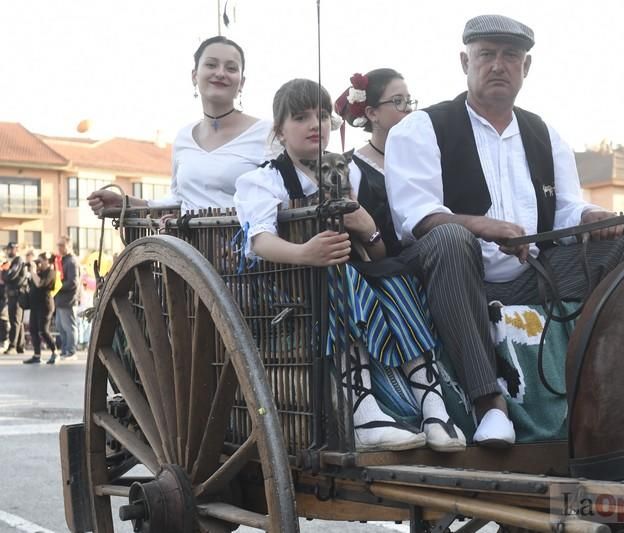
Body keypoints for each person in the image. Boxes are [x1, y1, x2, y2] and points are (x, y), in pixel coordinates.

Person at [385, 15, 624, 447]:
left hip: (530, 279)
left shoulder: (544, 133)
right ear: (464, 61)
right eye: (486, 54)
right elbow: (417, 217)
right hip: (447, 277)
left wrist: (587, 217)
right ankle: (489, 404)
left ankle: (621, 387)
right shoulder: (423, 127)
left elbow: (564, 210)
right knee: (452, 238)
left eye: (510, 57)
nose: (498, 65)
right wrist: (478, 226)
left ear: (525, 69)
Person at [235, 78, 466, 452]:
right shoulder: (263, 180)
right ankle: (363, 409)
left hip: (347, 272)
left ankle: (432, 401)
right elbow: (259, 241)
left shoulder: (349, 172)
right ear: (279, 130)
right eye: (300, 117)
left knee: (397, 279)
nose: (315, 124)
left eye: (323, 116)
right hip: (285, 285)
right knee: (341, 278)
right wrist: (305, 253)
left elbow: (374, 253)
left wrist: (369, 228)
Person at [87, 36, 273, 216]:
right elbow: (178, 200)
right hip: (188, 246)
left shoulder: (267, 133)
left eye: (231, 68)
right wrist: (124, 202)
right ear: (194, 76)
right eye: (211, 65)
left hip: (246, 246)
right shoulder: (184, 136)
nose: (220, 73)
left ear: (242, 82)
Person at [334, 69, 416, 257]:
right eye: (398, 101)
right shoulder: (352, 168)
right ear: (372, 113)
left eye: (409, 100)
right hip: (383, 274)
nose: (409, 108)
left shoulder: (424, 157)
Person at [23, 253, 58, 364]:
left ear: (47, 261)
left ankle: (55, 352)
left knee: (43, 330)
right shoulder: (39, 272)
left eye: (41, 261)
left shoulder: (51, 273)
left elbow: (39, 284)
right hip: (35, 305)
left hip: (45, 306)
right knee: (33, 329)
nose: (39, 263)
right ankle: (37, 355)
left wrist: (33, 271)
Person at [54, 236, 79, 358]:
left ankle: (71, 351)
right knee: (60, 326)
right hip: (60, 299)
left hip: (68, 299)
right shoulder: (63, 260)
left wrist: (57, 286)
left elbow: (73, 282)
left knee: (69, 327)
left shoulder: (72, 261)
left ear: (68, 246)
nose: (59, 247)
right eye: (58, 245)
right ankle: (64, 350)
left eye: (62, 245)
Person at [2, 242, 28, 355]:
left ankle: (13, 345)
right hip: (13, 295)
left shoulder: (18, 261)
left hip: (17, 295)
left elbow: (10, 275)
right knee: (18, 321)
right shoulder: (13, 262)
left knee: (15, 321)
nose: (8, 251)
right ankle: (20, 345)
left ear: (16, 249)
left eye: (10, 249)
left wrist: (4, 272)